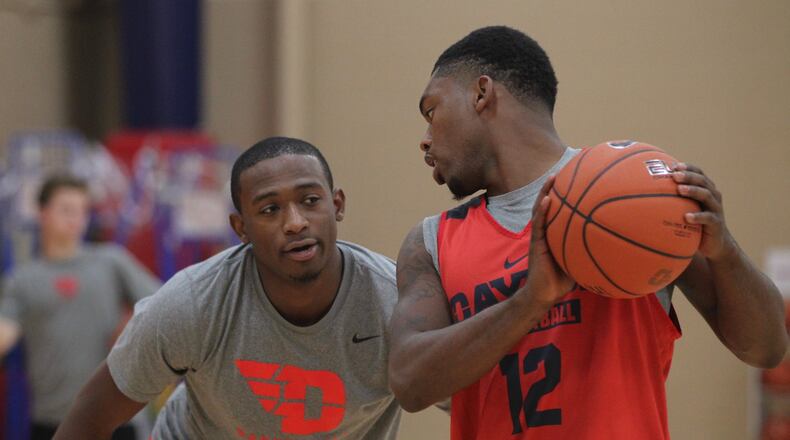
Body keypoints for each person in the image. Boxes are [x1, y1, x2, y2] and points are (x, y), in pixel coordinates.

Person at [388, 25, 788, 439]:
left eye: (431, 111)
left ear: (481, 93)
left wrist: (725, 252)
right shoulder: (431, 242)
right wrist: (530, 302)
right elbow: (409, 382)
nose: (425, 139)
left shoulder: (642, 192)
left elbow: (765, 348)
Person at [54, 137, 401, 439]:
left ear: (337, 204)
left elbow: (455, 402)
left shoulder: (392, 300)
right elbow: (89, 418)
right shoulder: (193, 303)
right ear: (241, 228)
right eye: (269, 209)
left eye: (310, 200)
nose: (295, 222)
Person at [0, 174, 161, 440]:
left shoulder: (110, 260)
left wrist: (133, 323)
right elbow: (5, 331)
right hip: (53, 421)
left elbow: (166, 303)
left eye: (82, 210)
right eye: (66, 209)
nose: (75, 218)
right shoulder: (22, 279)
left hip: (116, 418)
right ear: (42, 212)